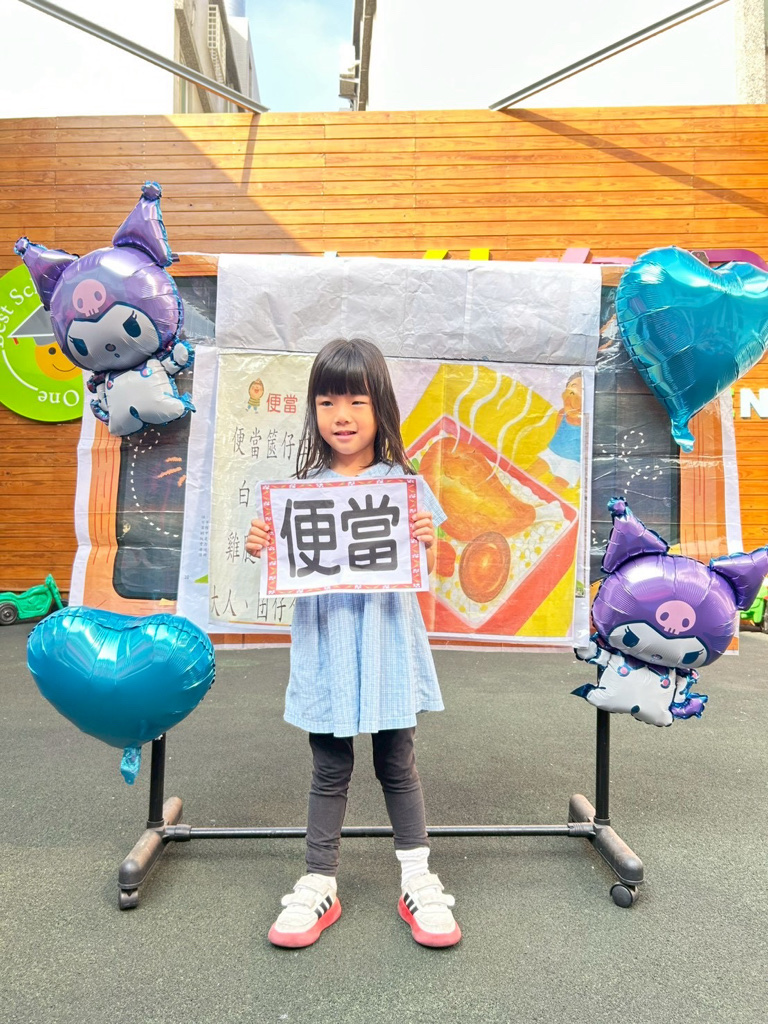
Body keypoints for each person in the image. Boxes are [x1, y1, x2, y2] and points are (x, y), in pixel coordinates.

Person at [245, 338, 461, 950]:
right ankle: (319, 880)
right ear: (314, 410)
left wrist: (425, 539)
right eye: (328, 402)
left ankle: (417, 877)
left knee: (397, 759)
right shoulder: (300, 490)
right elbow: (281, 563)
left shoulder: (403, 484)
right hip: (327, 643)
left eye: (357, 401)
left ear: (380, 406)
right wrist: (261, 544)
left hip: (387, 640)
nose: (342, 415)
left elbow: (425, 565)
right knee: (329, 763)